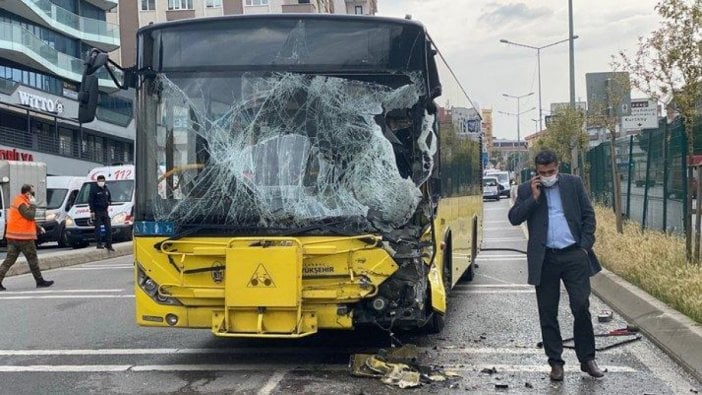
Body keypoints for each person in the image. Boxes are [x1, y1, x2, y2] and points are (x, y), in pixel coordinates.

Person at [508, 150, 604, 381]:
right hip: (545, 259)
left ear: (557, 167)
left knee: (581, 306)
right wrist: (533, 198)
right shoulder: (526, 189)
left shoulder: (573, 183)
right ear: (536, 172)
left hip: (574, 255)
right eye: (543, 173)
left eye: (551, 171)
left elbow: (589, 216)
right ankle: (555, 363)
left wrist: (584, 247)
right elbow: (514, 218)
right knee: (548, 312)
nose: (548, 176)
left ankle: (587, 359)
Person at [0, 184, 54, 290]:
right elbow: (29, 216)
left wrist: (38, 227)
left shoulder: (19, 200)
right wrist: (33, 205)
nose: (33, 195)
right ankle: (40, 281)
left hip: (13, 237)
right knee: (32, 259)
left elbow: (24, 219)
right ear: (27, 193)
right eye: (32, 193)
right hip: (23, 238)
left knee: (9, 260)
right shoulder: (22, 203)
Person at [89, 175, 114, 251]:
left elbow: (109, 198)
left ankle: (108, 244)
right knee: (98, 228)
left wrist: (109, 202)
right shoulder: (94, 189)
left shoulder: (106, 189)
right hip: (97, 211)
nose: (101, 182)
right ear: (97, 181)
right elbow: (91, 201)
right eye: (100, 181)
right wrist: (92, 211)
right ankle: (99, 243)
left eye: (102, 180)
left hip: (105, 211)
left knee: (108, 228)